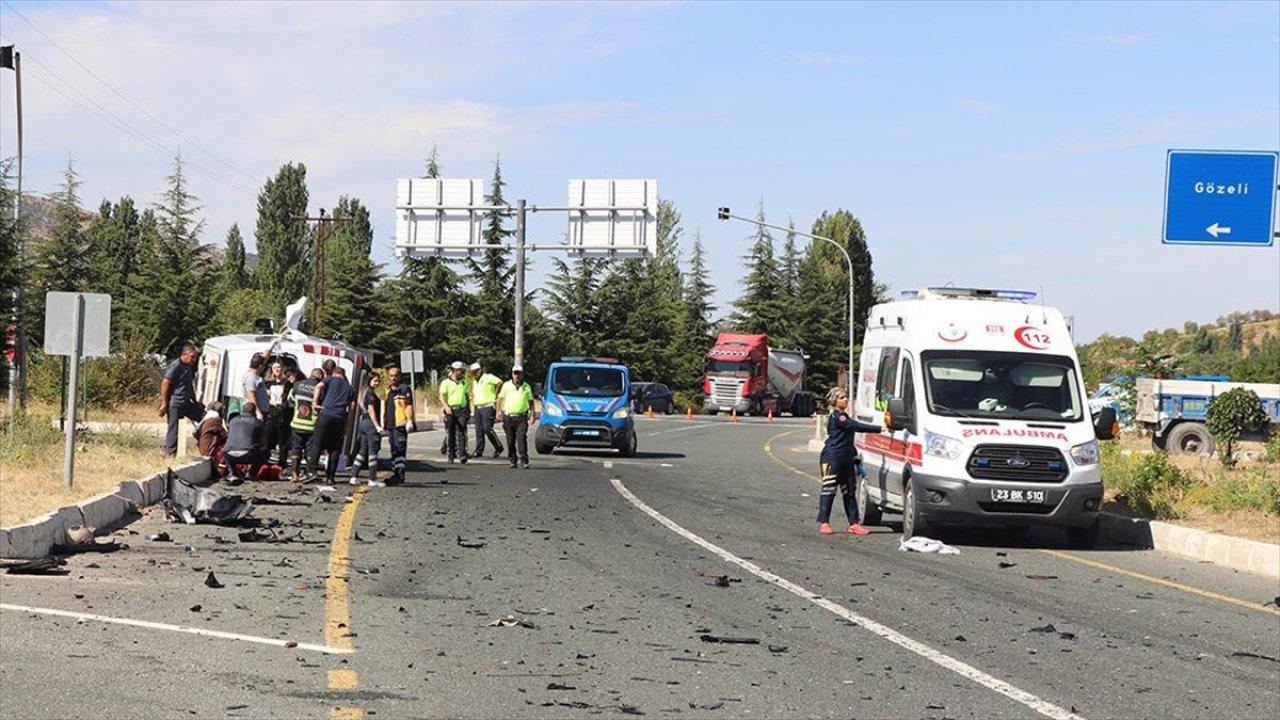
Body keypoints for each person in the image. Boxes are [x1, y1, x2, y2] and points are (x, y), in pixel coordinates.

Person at [817, 387, 881, 536]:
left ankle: (854, 523)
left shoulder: (844, 416)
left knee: (850, 492)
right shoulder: (838, 417)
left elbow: (847, 438)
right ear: (834, 401)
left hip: (846, 459)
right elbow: (855, 426)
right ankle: (824, 522)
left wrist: (855, 456)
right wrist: (880, 428)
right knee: (829, 490)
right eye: (841, 398)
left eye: (846, 397)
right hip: (832, 458)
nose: (845, 400)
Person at [307, 360, 356, 483]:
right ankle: (330, 476)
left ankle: (312, 471)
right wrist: (347, 426)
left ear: (334, 373)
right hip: (339, 417)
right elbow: (352, 408)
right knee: (334, 448)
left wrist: (314, 403)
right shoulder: (350, 388)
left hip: (325, 414)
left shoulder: (329, 379)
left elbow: (318, 386)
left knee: (317, 443)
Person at [159, 343, 202, 457]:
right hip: (176, 403)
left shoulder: (188, 367)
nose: (194, 360)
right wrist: (164, 403)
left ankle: (205, 444)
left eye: (195, 358)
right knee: (174, 429)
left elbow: (189, 385)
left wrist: (195, 401)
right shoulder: (176, 365)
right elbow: (165, 383)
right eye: (192, 357)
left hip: (186, 402)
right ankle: (169, 453)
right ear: (186, 354)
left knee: (204, 417)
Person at [496, 364, 536, 469]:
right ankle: (512, 459)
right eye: (515, 373)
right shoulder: (506, 385)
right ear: (512, 374)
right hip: (509, 417)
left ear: (522, 374)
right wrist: (498, 411)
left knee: (521, 437)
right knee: (510, 440)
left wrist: (533, 415)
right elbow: (500, 398)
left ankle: (524, 459)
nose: (517, 376)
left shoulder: (526, 387)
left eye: (519, 373)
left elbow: (531, 401)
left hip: (522, 417)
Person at [348, 373, 385, 487]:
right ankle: (372, 479)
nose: (377, 383)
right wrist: (377, 426)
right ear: (369, 380)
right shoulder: (370, 393)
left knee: (362, 451)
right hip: (370, 424)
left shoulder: (363, 392)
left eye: (378, 381)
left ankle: (353, 477)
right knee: (373, 452)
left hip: (363, 423)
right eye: (375, 381)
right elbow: (371, 410)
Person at [288, 368, 323, 482]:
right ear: (320, 378)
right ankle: (309, 473)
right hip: (311, 425)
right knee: (310, 450)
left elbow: (290, 401)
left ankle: (294, 474)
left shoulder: (297, 385)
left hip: (297, 423)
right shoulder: (320, 389)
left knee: (296, 448)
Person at [384, 366, 415, 483]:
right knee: (394, 450)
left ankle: (400, 474)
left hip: (400, 424)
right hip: (391, 424)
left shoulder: (404, 389)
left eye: (396, 375)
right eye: (391, 376)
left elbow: (409, 405)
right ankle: (395, 472)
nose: (393, 378)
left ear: (400, 376)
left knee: (400, 450)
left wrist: (409, 420)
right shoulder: (388, 389)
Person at [224, 402, 267, 484]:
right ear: (254, 412)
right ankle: (252, 474)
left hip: (228, 454)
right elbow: (264, 443)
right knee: (265, 452)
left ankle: (233, 473)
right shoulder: (258, 423)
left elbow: (229, 435)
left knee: (227, 450)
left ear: (242, 411)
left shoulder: (232, 421)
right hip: (248, 455)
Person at [470, 361, 504, 459]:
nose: (474, 373)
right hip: (478, 407)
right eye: (473, 372)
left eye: (476, 371)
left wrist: (496, 393)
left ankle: (498, 446)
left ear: (480, 370)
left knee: (487, 429)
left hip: (488, 406)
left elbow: (499, 382)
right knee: (479, 430)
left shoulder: (488, 377)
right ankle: (479, 451)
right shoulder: (474, 381)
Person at [439, 361, 471, 464]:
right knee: (450, 432)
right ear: (454, 371)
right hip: (450, 410)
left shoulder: (464, 381)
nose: (462, 372)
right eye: (460, 371)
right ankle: (451, 455)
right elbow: (441, 396)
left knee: (462, 431)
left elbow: (467, 395)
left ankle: (462, 454)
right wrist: (446, 407)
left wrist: (469, 408)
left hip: (462, 409)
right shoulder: (446, 383)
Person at [262, 360, 293, 464]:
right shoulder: (267, 383)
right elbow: (265, 397)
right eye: (274, 368)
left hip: (283, 412)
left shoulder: (288, 383)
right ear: (272, 370)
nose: (277, 369)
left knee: (283, 438)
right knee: (268, 436)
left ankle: (282, 462)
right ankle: (265, 460)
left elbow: (289, 398)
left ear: (282, 369)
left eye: (279, 367)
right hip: (271, 411)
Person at [241, 345, 274, 419]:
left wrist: (273, 345)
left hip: (261, 410)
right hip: (255, 413)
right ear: (260, 367)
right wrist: (258, 412)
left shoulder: (253, 373)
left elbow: (264, 357)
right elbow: (251, 395)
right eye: (263, 366)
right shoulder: (251, 377)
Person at [195, 401, 228, 475]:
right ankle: (221, 471)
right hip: (208, 450)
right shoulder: (214, 420)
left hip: (202, 448)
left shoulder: (208, 418)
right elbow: (225, 435)